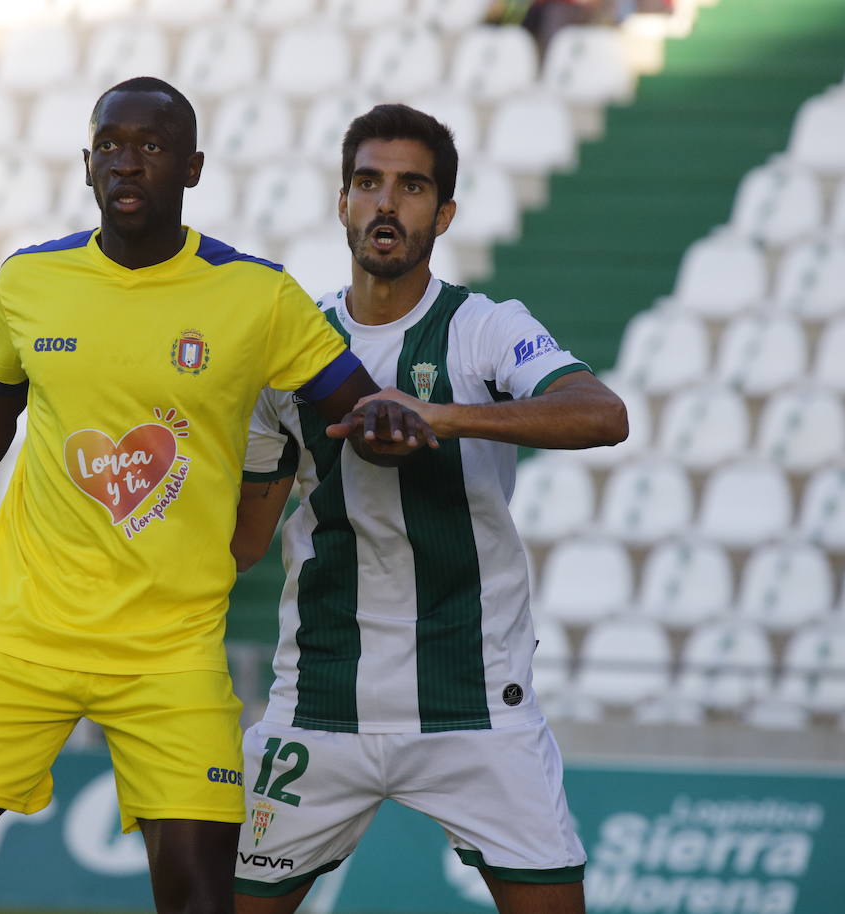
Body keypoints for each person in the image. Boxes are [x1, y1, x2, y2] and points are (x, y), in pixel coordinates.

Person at [0, 79, 437, 914]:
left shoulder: (258, 297)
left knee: (198, 902)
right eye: (110, 144)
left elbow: (354, 409)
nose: (127, 161)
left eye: (151, 146)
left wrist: (387, 425)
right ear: (86, 164)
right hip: (17, 639)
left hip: (171, 651)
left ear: (190, 167)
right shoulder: (30, 282)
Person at [229, 104, 628, 914]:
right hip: (319, 703)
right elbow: (242, 546)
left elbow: (602, 413)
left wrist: (443, 415)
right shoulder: (288, 350)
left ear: (442, 215)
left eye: (412, 188)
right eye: (369, 183)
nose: (387, 204)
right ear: (342, 202)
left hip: (472, 700)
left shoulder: (483, 330)